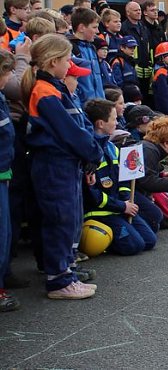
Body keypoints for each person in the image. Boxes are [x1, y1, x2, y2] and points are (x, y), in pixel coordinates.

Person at [22, 36, 102, 299]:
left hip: (65, 163)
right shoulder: (45, 92)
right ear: (53, 61)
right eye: (67, 60)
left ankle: (67, 272)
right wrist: (93, 151)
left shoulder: (53, 88)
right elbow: (70, 132)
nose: (69, 66)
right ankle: (59, 281)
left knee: (69, 219)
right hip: (53, 164)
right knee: (60, 220)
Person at [82, 99, 156, 256]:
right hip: (100, 213)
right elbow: (92, 195)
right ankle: (99, 239)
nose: (117, 123)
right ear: (101, 124)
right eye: (114, 119)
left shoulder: (112, 148)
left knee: (150, 240)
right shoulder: (89, 153)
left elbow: (124, 179)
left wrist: (126, 200)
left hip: (118, 208)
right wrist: (122, 206)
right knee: (135, 246)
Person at [0, 50, 20, 311]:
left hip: (5, 171)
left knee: (6, 233)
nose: (11, 77)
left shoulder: (2, 97)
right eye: (8, 71)